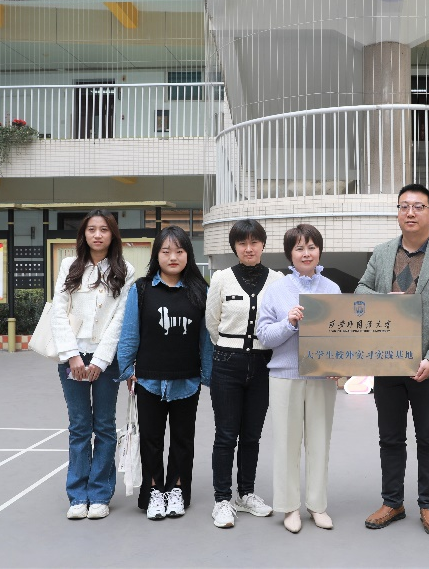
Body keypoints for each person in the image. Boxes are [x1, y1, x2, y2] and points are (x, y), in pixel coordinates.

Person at [356, 184, 429, 536]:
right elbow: (360, 290)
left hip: (425, 367)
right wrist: (384, 299)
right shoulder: (382, 252)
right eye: (404, 206)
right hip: (387, 361)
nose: (410, 212)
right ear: (398, 213)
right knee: (390, 438)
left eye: (418, 206)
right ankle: (392, 502)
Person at [117, 226, 212, 520]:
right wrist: (127, 369)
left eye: (179, 251)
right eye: (166, 251)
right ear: (156, 255)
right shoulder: (141, 290)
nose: (173, 257)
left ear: (188, 255)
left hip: (187, 379)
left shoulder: (201, 291)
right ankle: (155, 491)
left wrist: (207, 376)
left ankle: (177, 490)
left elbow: (206, 339)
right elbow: (130, 333)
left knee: (183, 440)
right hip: (148, 380)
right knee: (151, 440)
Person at [256, 224, 342, 533]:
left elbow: (340, 335)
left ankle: (318, 505)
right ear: (290, 254)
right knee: (286, 444)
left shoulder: (332, 289)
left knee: (320, 442)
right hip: (285, 375)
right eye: (299, 248)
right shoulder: (276, 289)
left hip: (321, 378)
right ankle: (289, 506)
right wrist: (289, 323)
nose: (306, 253)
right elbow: (264, 335)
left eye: (312, 247)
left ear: (319, 251)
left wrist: (338, 365)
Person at [52, 209, 135, 520]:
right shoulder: (69, 266)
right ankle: (77, 496)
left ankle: (99, 494)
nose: (97, 235)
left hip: (106, 360)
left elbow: (120, 319)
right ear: (83, 234)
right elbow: (59, 311)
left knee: (104, 426)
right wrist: (72, 355)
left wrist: (100, 360)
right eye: (91, 229)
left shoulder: (125, 270)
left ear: (113, 234)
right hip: (72, 357)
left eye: (104, 229)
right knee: (79, 427)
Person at [206, 219, 282, 528]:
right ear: (234, 247)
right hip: (227, 362)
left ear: (263, 245)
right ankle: (222, 499)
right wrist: (230, 347)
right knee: (226, 435)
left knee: (252, 434)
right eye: (242, 243)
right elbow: (212, 323)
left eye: (254, 242)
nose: (248, 248)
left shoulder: (277, 280)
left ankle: (246, 494)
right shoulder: (221, 278)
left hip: (263, 363)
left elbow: (278, 321)